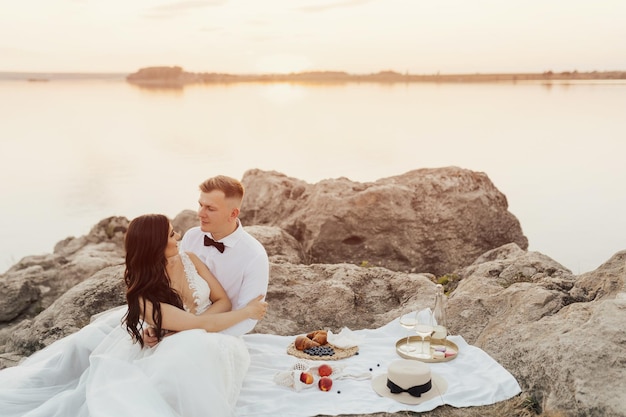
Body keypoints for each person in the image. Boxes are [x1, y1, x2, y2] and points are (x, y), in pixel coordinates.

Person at [0, 213, 268, 417]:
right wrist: (246, 312)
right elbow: (201, 322)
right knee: (90, 361)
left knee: (195, 347)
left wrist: (182, 327)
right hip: (188, 333)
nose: (179, 237)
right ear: (154, 245)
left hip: (194, 330)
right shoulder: (144, 297)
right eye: (172, 235)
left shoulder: (190, 259)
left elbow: (221, 300)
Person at [146, 175, 269, 346]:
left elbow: (248, 318)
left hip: (220, 337)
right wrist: (158, 326)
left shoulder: (255, 256)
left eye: (210, 208)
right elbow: (174, 289)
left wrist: (192, 337)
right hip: (178, 329)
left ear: (233, 213)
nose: (200, 213)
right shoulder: (191, 237)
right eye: (200, 205)